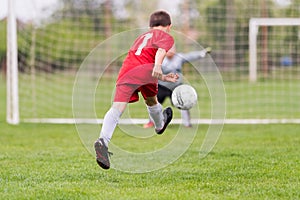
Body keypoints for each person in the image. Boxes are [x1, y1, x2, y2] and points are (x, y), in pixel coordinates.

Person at [94, 10, 179, 170]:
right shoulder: (166, 36)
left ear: (150, 26)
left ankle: (103, 141)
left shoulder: (141, 37)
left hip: (127, 70)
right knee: (152, 101)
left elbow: (142, 58)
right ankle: (159, 125)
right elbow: (160, 52)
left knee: (117, 108)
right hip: (146, 71)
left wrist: (164, 76)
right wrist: (158, 66)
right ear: (169, 26)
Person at [143, 46, 211, 128]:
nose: (170, 51)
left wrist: (202, 53)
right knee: (153, 103)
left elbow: (190, 56)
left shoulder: (179, 58)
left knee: (184, 102)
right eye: (168, 49)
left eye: (172, 49)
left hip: (176, 87)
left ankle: (187, 123)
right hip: (161, 86)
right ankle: (151, 122)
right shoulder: (159, 59)